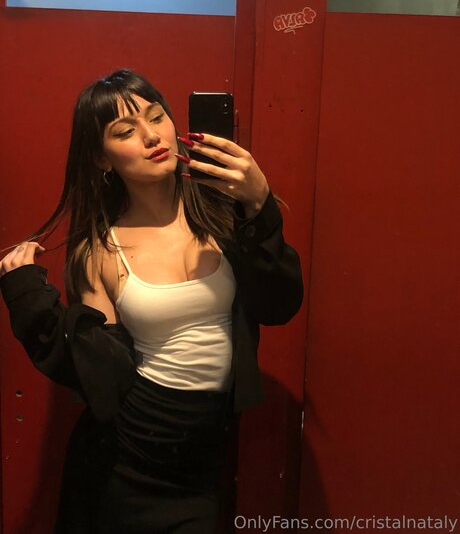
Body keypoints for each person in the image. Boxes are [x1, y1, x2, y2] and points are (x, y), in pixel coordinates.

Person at [0, 69, 303, 533]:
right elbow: (99, 373)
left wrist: (259, 204)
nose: (151, 136)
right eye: (125, 131)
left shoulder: (223, 214)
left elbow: (279, 305)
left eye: (157, 117)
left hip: (201, 465)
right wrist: (27, 295)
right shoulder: (100, 248)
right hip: (123, 463)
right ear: (101, 157)